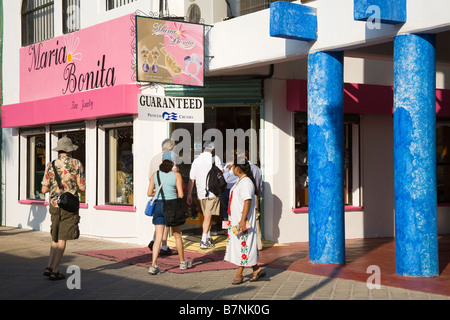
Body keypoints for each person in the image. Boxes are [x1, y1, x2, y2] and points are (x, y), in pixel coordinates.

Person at [41, 136, 86, 281]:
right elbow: (82, 187)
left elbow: (43, 189)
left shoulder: (50, 165)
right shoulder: (76, 163)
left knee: (55, 236)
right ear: (70, 150)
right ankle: (55, 270)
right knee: (62, 238)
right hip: (69, 205)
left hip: (54, 204)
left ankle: (49, 266)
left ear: (59, 150)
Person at [147, 151, 192, 274]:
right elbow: (181, 194)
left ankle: (153, 265)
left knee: (158, 237)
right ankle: (182, 262)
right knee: (177, 235)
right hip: (172, 206)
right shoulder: (176, 175)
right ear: (173, 162)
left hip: (159, 206)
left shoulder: (155, 174)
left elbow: (149, 192)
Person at [224, 156, 265, 285]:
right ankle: (256, 269)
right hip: (237, 220)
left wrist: (242, 220)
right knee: (240, 245)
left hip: (243, 220)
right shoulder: (240, 181)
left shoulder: (246, 182)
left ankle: (239, 273)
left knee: (244, 245)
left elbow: (247, 201)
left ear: (237, 168)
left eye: (233, 167)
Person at [187, 141, 222, 249]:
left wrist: (189, 194)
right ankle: (203, 240)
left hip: (201, 193)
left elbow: (192, 179)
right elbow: (221, 174)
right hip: (213, 192)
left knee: (208, 216)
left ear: (203, 148)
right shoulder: (215, 159)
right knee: (208, 216)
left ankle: (207, 237)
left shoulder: (196, 161)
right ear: (213, 149)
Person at [147, 138, 176, 255]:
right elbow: (174, 176)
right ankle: (163, 247)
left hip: (156, 194)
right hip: (167, 196)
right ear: (171, 148)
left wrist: (155, 189)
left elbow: (150, 178)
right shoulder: (170, 159)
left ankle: (155, 242)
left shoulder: (154, 158)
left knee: (159, 222)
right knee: (166, 222)